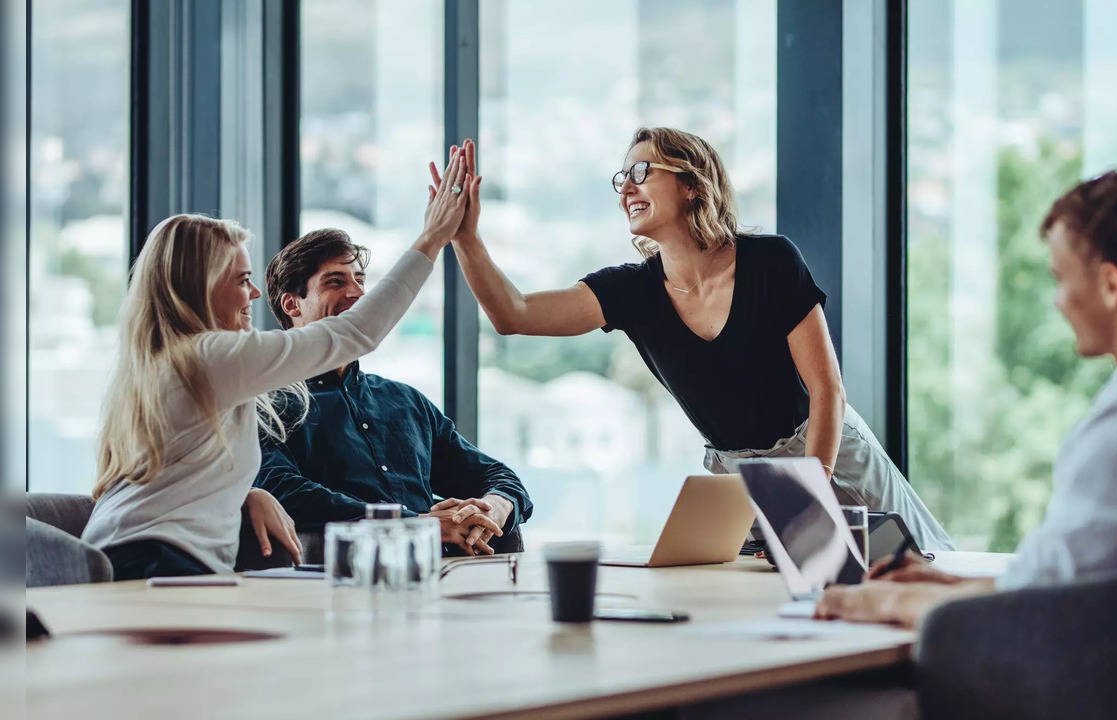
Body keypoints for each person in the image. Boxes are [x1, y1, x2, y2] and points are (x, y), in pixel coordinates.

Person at [431, 129, 953, 552]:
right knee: (782, 607)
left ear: (692, 184)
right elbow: (513, 314)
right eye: (622, 178)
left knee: (926, 574)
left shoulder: (770, 261)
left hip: (825, 450)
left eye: (642, 172)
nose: (626, 188)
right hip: (738, 477)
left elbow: (827, 391)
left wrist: (808, 492)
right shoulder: (630, 290)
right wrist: (466, 238)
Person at [816, 167, 1117, 627]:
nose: (1058, 301)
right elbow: (1061, 580)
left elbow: (1035, 609)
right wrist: (944, 584)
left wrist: (878, 603)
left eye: (1062, 279)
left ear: (1112, 285)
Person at [79, 149, 475, 580]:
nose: (254, 295)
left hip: (130, 555)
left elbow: (177, 472)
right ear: (199, 286)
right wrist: (432, 239)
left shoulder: (167, 362)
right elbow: (356, 333)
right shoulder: (207, 357)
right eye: (241, 280)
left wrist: (246, 494)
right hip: (154, 563)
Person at [253, 228, 533, 556]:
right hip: (339, 581)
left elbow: (496, 475)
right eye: (335, 281)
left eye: (359, 280)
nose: (358, 293)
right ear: (292, 305)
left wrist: (493, 507)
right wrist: (415, 524)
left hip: (441, 578)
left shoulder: (405, 401)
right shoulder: (265, 405)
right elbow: (283, 490)